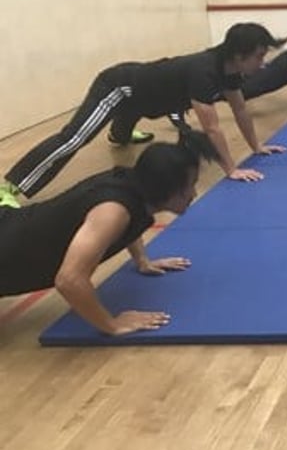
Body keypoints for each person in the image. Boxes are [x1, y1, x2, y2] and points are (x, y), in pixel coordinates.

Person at [0, 23, 287, 203]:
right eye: (259, 56)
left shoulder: (231, 71)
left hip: (147, 100)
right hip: (120, 87)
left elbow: (240, 110)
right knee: (74, 138)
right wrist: (232, 169)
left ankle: (120, 132)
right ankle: (11, 186)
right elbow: (211, 128)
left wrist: (257, 146)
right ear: (239, 55)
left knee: (123, 132)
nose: (263, 63)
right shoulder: (205, 72)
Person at [0, 130, 218, 335]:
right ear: (166, 187)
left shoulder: (133, 187)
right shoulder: (113, 211)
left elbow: (133, 217)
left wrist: (142, 260)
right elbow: (69, 280)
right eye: (190, 185)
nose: (194, 193)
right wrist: (111, 325)